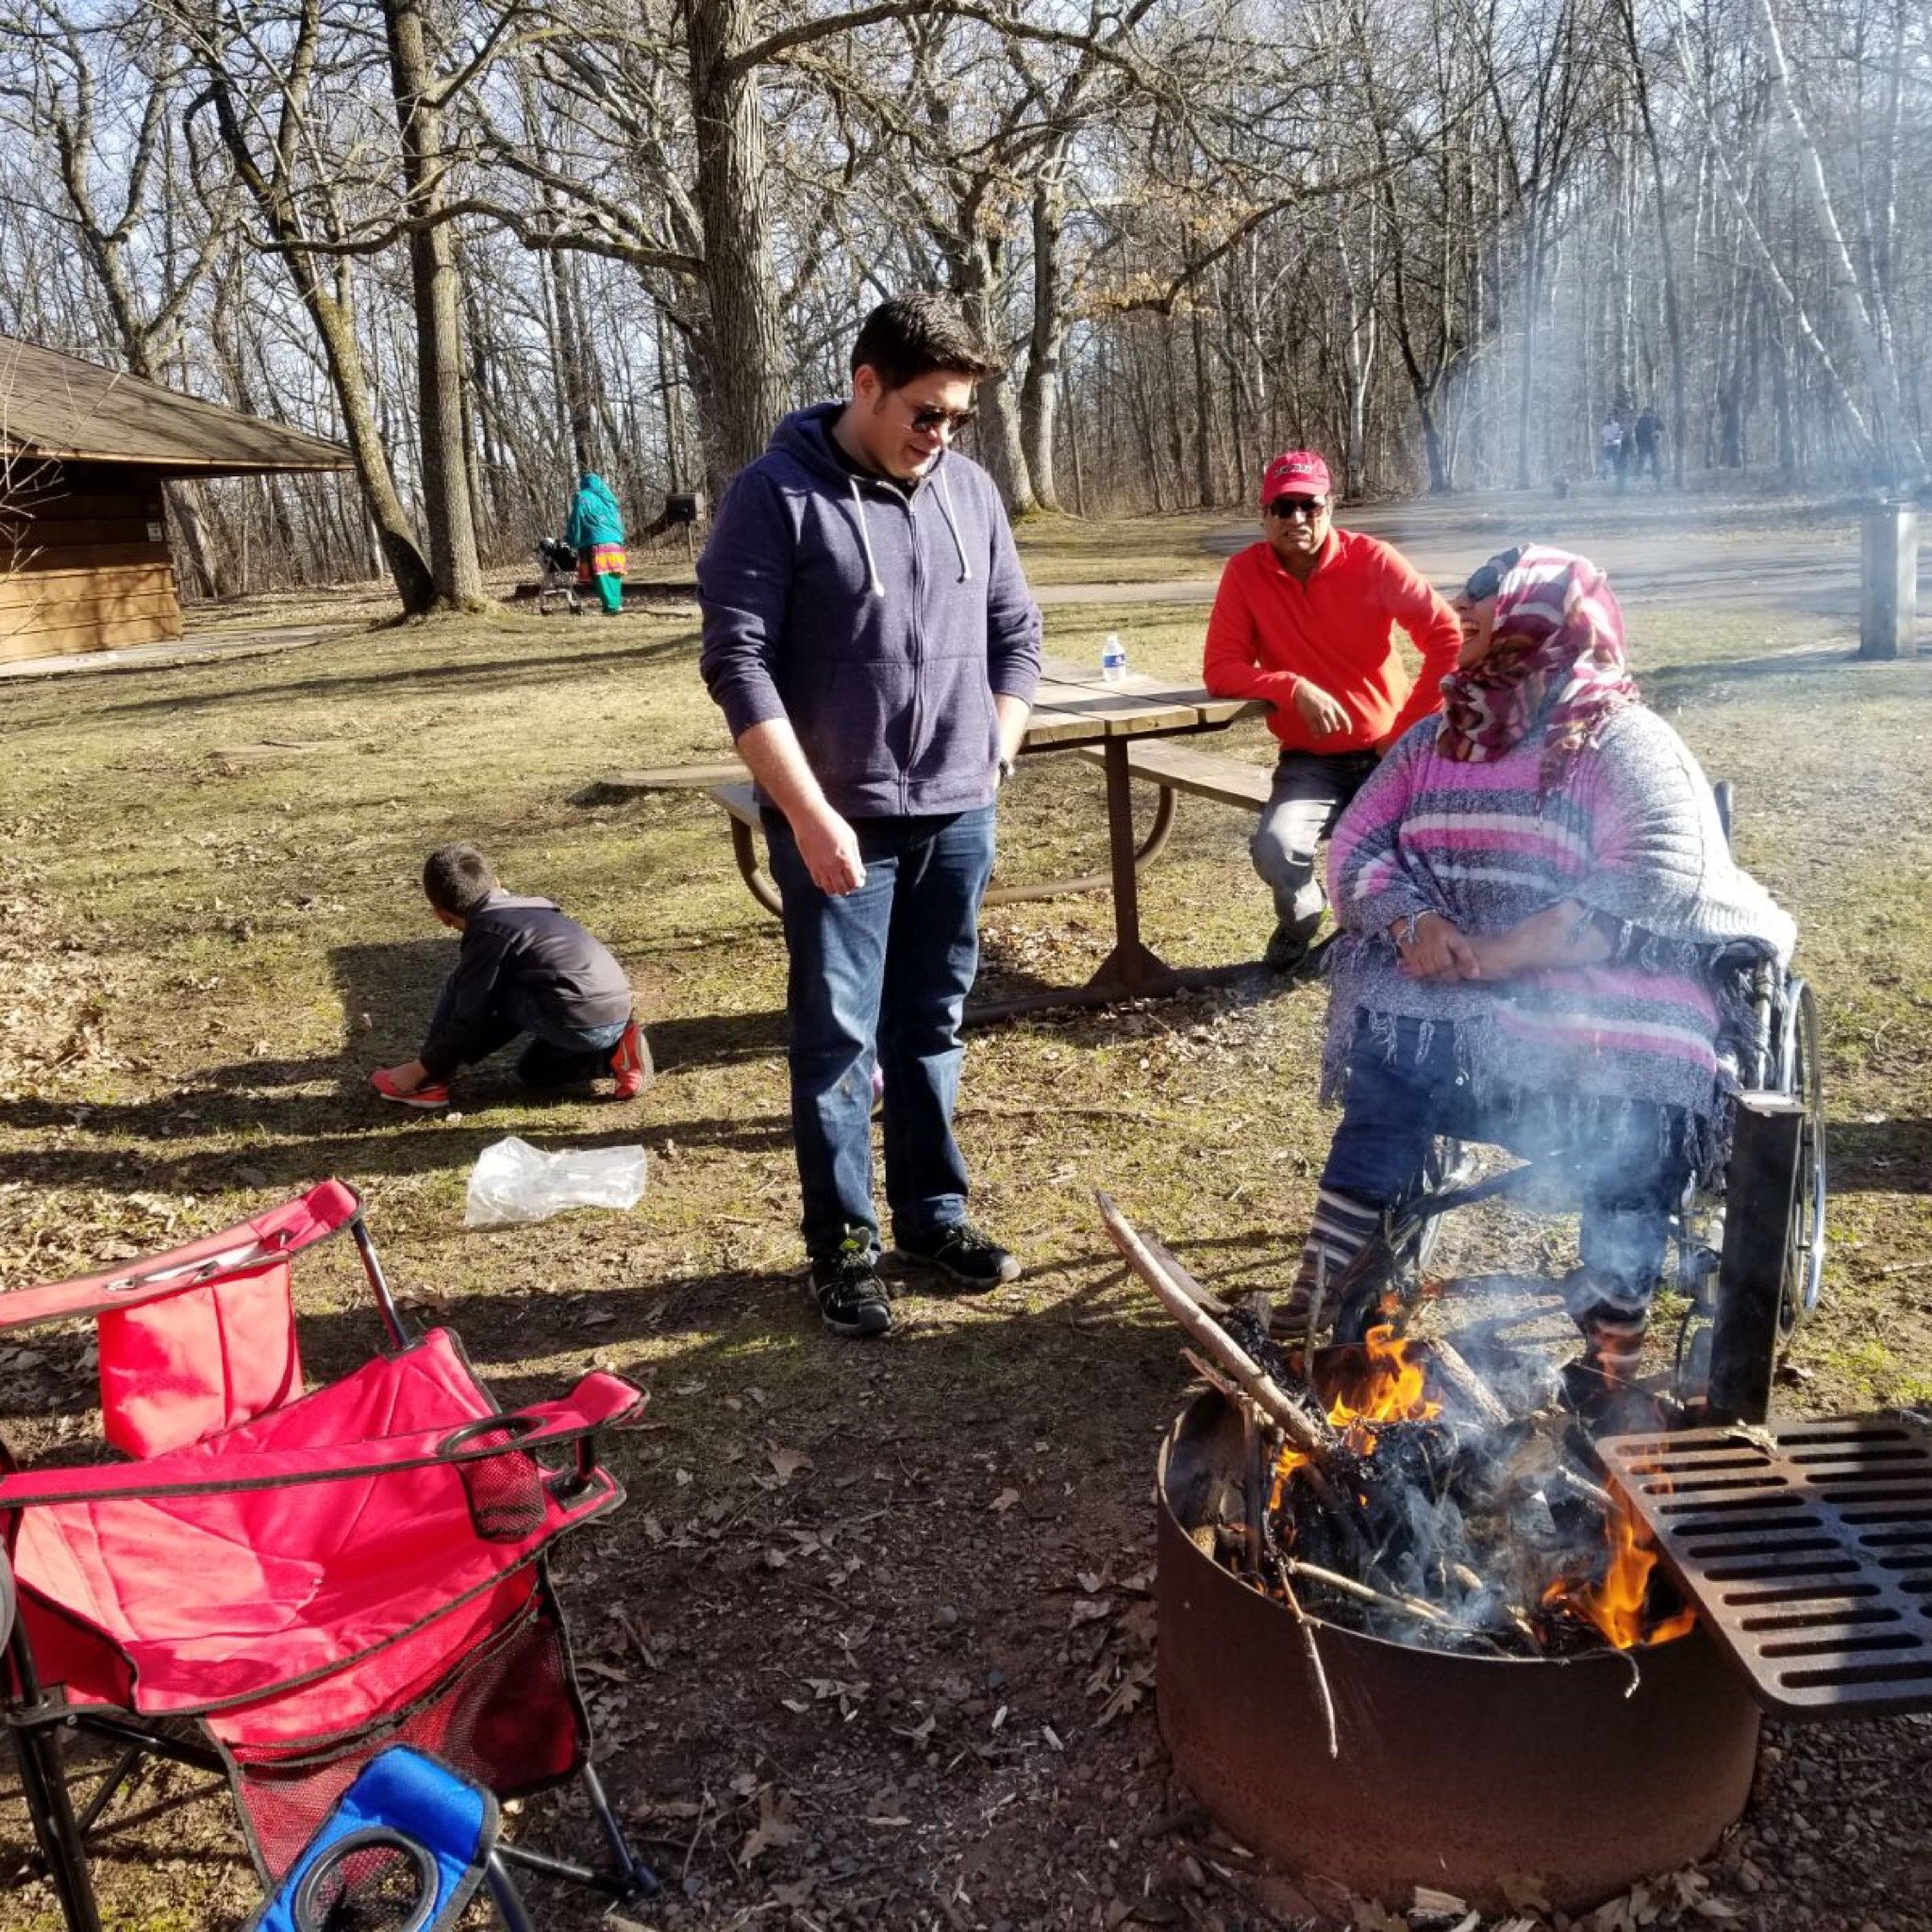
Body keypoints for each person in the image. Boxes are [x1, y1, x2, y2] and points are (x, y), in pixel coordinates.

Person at [1294, 545, 1793, 1371]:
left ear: (1538, 617)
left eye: (1483, 597)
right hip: (1454, 981)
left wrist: (1505, 952)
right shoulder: (1435, 739)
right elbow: (1356, 842)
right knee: (1391, 1047)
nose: (1459, 603)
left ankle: (1614, 1326)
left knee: (1646, 1070)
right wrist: (1410, 918)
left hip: (1607, 987)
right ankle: (1329, 1278)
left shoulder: (1622, 739)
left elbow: (1659, 876)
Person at [697, 292, 1042, 1341]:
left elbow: (1016, 631)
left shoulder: (970, 493)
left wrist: (997, 744)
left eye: (956, 418)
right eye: (924, 413)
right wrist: (803, 813)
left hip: (956, 811)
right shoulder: (774, 495)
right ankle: (842, 1241)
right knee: (840, 1037)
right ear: (864, 385)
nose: (939, 436)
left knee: (930, 1019)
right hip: (837, 821)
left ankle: (934, 1211)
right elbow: (736, 664)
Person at [1202, 450, 1461, 974]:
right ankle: (1302, 918)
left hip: (1389, 756)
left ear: (1330, 506)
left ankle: (1360, 941)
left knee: (1398, 861)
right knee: (1276, 849)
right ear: (1263, 514)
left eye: (1308, 505)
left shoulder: (1375, 560)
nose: (1296, 518)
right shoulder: (1245, 573)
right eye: (1282, 507)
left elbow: (1449, 637)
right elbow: (1221, 668)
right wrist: (1289, 686)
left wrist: (1404, 731)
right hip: (1310, 760)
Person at [371, 843, 650, 1109]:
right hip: (612, 1011)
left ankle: (428, 1080)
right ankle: (615, 1057)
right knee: (534, 1072)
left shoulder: (488, 933)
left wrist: (423, 1066)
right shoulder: (535, 908)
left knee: (469, 986)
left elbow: (470, 1017)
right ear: (496, 881)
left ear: (442, 917)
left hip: (578, 1021)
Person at [565, 472, 626, 615]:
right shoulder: (609, 498)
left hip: (596, 543)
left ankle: (611, 607)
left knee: (602, 576)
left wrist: (572, 539)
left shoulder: (582, 498)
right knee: (614, 575)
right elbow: (618, 521)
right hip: (615, 543)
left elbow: (576, 521)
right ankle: (615, 605)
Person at [1631, 408, 1662, 486]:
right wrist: (1638, 443)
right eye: (1645, 412)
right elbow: (1636, 432)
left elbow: (1662, 428)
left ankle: (1656, 477)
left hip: (1653, 444)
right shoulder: (1641, 421)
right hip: (1643, 445)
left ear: (1651, 413)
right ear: (1643, 413)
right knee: (1641, 460)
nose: (1647, 414)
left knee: (1655, 460)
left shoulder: (1655, 419)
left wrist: (1657, 433)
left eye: (1648, 412)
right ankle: (1638, 475)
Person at [1598, 414, 1624, 485]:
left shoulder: (1617, 425)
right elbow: (1602, 436)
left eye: (1612, 418)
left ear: (1614, 418)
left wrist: (1615, 440)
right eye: (1609, 418)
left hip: (1615, 445)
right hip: (1607, 445)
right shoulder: (1605, 427)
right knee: (1606, 460)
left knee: (1616, 460)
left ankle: (1618, 474)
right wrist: (1601, 444)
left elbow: (1620, 434)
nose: (1610, 419)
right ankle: (1605, 475)